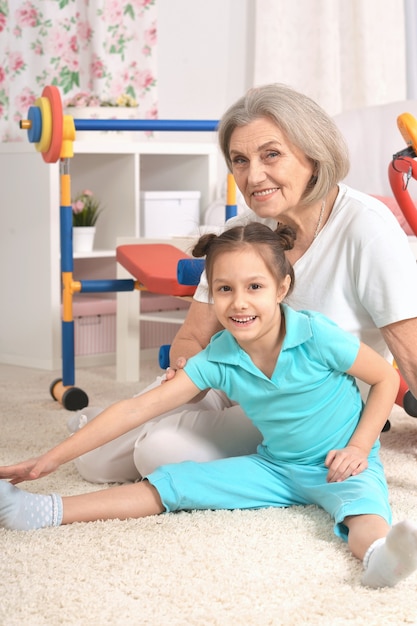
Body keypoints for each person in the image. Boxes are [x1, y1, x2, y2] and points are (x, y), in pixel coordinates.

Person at [1, 222, 416, 590]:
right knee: (169, 483)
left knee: (365, 516)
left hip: (341, 465)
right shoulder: (219, 356)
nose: (239, 303)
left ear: (282, 288)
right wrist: (45, 462)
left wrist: (360, 448)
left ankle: (379, 559)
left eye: (255, 287)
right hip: (274, 468)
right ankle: (41, 510)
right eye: (224, 289)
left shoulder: (317, 335)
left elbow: (385, 377)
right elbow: (136, 409)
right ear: (211, 293)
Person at [66, 82, 417, 485]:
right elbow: (193, 337)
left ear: (314, 157)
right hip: (230, 380)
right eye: (240, 160)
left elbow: (409, 351)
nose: (254, 175)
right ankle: (145, 424)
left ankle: (180, 435)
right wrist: (183, 380)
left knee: (156, 452)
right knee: (94, 461)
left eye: (271, 155)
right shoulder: (241, 230)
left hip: (305, 409)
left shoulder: (366, 227)